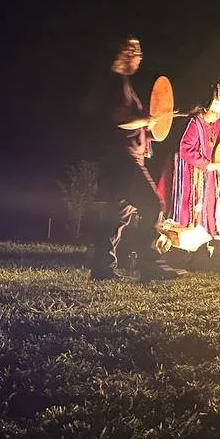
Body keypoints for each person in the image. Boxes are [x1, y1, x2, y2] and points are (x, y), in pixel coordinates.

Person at [86, 37, 179, 282]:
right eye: (137, 53)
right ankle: (150, 262)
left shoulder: (117, 82)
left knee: (118, 214)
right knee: (152, 203)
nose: (140, 59)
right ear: (127, 54)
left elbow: (127, 122)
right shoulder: (116, 83)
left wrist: (153, 125)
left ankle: (102, 269)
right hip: (124, 159)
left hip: (118, 158)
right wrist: (147, 121)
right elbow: (120, 122)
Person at [160, 79, 220, 238]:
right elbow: (184, 148)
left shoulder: (217, 124)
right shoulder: (194, 123)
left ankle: (207, 235)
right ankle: (185, 236)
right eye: (214, 111)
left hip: (210, 172)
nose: (217, 115)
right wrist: (205, 164)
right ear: (205, 108)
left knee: (210, 204)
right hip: (192, 172)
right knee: (191, 203)